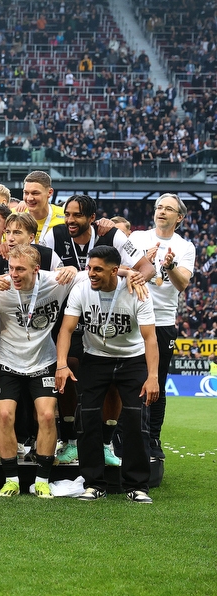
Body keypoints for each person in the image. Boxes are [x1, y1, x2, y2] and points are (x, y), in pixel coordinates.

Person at [0, 245, 80, 497]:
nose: (13, 275)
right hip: (8, 362)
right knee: (5, 416)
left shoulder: (56, 281)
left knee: (48, 416)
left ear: (36, 270)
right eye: (10, 268)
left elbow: (94, 273)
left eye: (20, 269)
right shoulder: (3, 290)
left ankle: (41, 479)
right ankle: (11, 480)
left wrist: (129, 273)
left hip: (44, 361)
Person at [56, 246, 158, 503]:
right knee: (87, 419)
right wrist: (61, 364)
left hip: (131, 359)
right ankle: (93, 484)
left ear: (115, 271)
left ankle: (137, 486)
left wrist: (153, 375)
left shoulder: (138, 291)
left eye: (98, 270)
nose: (91, 274)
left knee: (137, 421)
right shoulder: (82, 288)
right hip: (96, 359)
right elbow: (66, 330)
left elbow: (150, 337)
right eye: (90, 268)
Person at [127, 194, 195, 459]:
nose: (162, 212)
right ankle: (123, 436)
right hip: (133, 319)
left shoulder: (185, 246)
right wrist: (144, 259)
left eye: (169, 209)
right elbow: (122, 268)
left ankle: (153, 439)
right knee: (128, 382)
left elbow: (182, 284)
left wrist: (171, 265)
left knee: (158, 383)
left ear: (179, 217)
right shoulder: (137, 239)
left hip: (163, 321)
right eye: (159, 207)